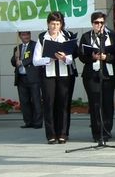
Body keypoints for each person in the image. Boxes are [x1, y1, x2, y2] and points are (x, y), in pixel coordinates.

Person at [33, 11, 74, 144]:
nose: (55, 27)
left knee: (63, 104)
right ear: (48, 24)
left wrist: (64, 57)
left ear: (61, 24)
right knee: (49, 104)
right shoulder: (42, 38)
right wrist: (48, 59)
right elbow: (35, 60)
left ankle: (62, 133)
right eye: (52, 24)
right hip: (48, 75)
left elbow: (70, 59)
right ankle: (51, 134)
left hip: (63, 75)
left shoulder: (66, 37)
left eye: (57, 24)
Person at [78, 11, 115, 143]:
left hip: (107, 73)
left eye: (102, 22)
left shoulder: (111, 35)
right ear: (92, 24)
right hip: (91, 74)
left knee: (107, 103)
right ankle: (97, 133)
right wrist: (92, 57)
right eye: (96, 23)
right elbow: (81, 56)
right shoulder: (86, 36)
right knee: (95, 104)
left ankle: (107, 131)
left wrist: (106, 57)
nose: (99, 25)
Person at [11, 31, 42, 129]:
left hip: (33, 77)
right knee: (24, 101)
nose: (26, 36)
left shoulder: (35, 45)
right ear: (20, 36)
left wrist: (23, 62)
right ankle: (28, 122)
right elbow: (13, 63)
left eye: (27, 34)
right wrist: (15, 57)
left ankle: (38, 122)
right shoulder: (17, 48)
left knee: (36, 100)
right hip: (21, 78)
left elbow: (34, 58)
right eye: (24, 34)